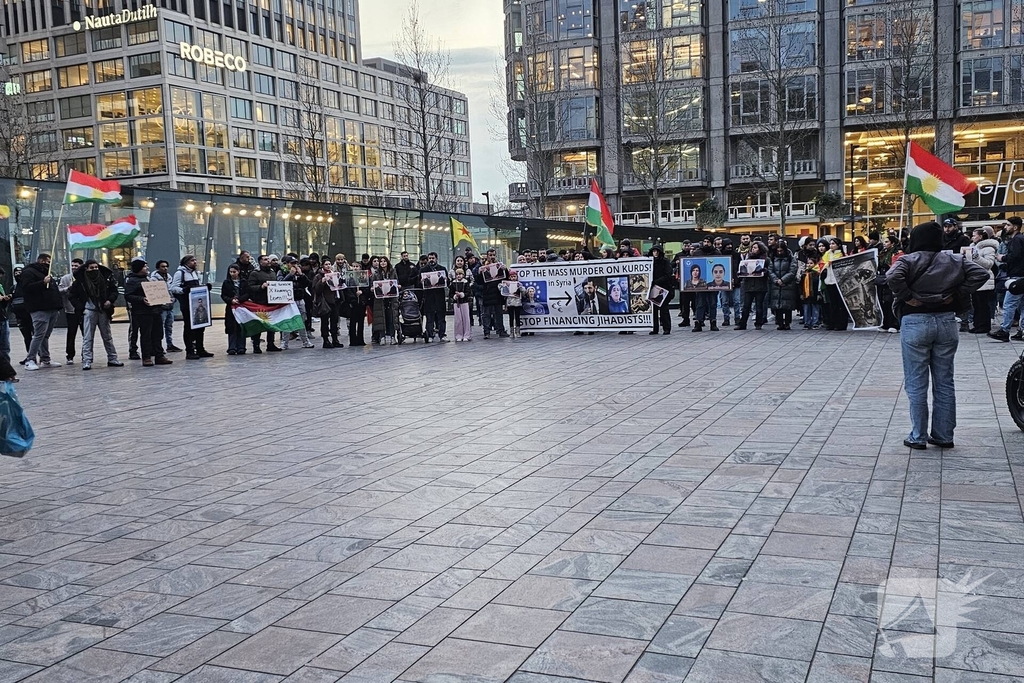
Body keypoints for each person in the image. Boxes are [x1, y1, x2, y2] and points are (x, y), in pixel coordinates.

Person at [887, 221, 988, 449]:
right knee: (944, 381)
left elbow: (893, 277)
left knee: (916, 382)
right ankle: (944, 435)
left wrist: (908, 297)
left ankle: (918, 436)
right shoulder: (954, 259)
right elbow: (981, 274)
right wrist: (957, 293)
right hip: (946, 321)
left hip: (915, 321)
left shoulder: (908, 260)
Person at [69, 259, 123, 371]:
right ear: (86, 269)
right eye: (92, 268)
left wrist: (110, 300)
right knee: (88, 337)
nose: (94, 269)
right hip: (89, 310)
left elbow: (114, 291)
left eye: (96, 267)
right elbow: (72, 296)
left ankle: (112, 358)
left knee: (107, 336)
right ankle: (87, 360)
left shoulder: (105, 279)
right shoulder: (80, 281)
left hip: (103, 310)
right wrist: (81, 307)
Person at [20, 254, 65, 370]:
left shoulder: (46, 272)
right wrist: (42, 283)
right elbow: (26, 288)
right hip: (39, 308)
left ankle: (45, 358)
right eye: (47, 261)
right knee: (39, 335)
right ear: (41, 260)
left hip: (51, 307)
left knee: (45, 335)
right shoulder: (29, 272)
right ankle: (30, 359)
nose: (49, 264)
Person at [124, 259, 172, 367]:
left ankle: (159, 355)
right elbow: (128, 295)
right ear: (139, 268)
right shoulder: (132, 281)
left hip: (155, 310)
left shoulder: (148, 278)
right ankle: (146, 357)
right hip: (143, 312)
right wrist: (142, 299)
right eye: (145, 267)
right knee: (146, 335)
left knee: (158, 333)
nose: (147, 268)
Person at [170, 254, 214, 359]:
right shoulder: (180, 273)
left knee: (200, 326)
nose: (195, 262)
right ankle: (189, 351)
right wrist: (184, 290)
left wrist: (205, 287)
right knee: (189, 328)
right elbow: (173, 288)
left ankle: (200, 349)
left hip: (197, 304)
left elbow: (197, 286)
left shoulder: (195, 273)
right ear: (186, 262)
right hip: (187, 304)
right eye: (192, 260)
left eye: (195, 260)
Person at [990, 217, 1024, 341]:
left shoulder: (1016, 240)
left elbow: (1015, 256)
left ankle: (1004, 330)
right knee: (1022, 305)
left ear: (1015, 227)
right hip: (1020, 275)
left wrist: (1002, 258)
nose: (1005, 227)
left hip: (1017, 276)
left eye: (1008, 225)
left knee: (1009, 304)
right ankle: (1022, 330)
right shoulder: (1021, 238)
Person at [246, 254, 283, 352]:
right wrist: (261, 287)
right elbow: (250, 287)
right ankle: (256, 345)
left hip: (271, 302)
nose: (268, 261)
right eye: (265, 259)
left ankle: (271, 344)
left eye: (268, 259)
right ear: (260, 262)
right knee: (258, 324)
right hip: (259, 302)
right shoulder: (255, 273)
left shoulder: (272, 272)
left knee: (271, 324)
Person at [967, 227, 998, 335]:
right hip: (974, 278)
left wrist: (976, 257)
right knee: (975, 303)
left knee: (983, 304)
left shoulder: (989, 248)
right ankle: (977, 324)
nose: (972, 237)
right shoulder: (971, 247)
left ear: (980, 236)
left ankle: (984, 326)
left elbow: (989, 264)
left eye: (974, 235)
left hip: (985, 280)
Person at [735, 242, 769, 330]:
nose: (753, 249)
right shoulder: (748, 259)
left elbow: (769, 271)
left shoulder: (765, 260)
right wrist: (740, 273)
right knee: (746, 306)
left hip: (760, 285)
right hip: (749, 285)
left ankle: (758, 323)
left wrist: (764, 271)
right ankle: (742, 324)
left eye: (755, 248)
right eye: (752, 248)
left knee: (759, 306)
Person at [767, 241, 798, 330]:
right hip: (776, 284)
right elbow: (770, 270)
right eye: (778, 251)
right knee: (777, 305)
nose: (780, 253)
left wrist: (783, 280)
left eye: (781, 251)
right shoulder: (772, 258)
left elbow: (792, 271)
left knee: (787, 306)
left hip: (788, 284)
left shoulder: (791, 258)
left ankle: (787, 323)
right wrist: (776, 280)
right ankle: (780, 323)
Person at [150, 261, 181, 352]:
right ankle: (158, 347)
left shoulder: (169, 278)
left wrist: (173, 299)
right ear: (158, 268)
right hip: (161, 308)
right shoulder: (153, 279)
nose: (165, 268)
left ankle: (169, 344)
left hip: (169, 306)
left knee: (169, 327)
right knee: (159, 328)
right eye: (163, 266)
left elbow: (172, 290)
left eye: (166, 266)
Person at [477, 253, 509, 338]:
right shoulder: (483, 267)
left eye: (494, 255)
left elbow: (506, 278)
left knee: (499, 314)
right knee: (486, 314)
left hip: (497, 293)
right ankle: (486, 332)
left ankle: (500, 330)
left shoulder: (500, 266)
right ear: (487, 256)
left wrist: (505, 270)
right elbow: (478, 282)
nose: (492, 257)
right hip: (487, 294)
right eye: (490, 255)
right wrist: (479, 273)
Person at [58, 258, 84, 365]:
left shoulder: (84, 278)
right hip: (70, 310)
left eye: (76, 266)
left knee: (86, 334)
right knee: (71, 333)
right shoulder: (65, 278)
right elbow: (59, 290)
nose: (74, 267)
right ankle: (70, 355)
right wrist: (67, 288)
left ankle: (85, 354)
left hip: (83, 310)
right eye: (72, 265)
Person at [877, 234, 904, 333]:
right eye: (884, 242)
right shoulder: (883, 253)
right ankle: (886, 323)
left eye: (887, 242)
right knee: (884, 301)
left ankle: (894, 324)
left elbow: (897, 266)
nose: (884, 244)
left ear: (892, 243)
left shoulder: (897, 253)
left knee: (891, 301)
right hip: (883, 280)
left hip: (892, 279)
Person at [312, 260, 342, 348]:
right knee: (325, 322)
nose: (328, 266)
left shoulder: (334, 274)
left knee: (334, 321)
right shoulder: (319, 276)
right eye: (326, 264)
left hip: (335, 300)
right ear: (322, 265)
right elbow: (316, 289)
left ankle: (335, 339)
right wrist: (322, 281)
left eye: (329, 264)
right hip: (325, 301)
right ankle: (326, 340)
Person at [821, 238, 849, 331]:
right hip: (829, 281)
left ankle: (841, 323)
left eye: (833, 244)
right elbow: (822, 264)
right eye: (830, 244)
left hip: (838, 281)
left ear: (838, 245)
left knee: (840, 303)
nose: (831, 245)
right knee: (832, 303)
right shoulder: (827, 254)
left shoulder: (842, 255)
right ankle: (832, 322)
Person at [420, 252, 448, 341]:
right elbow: (418, 283)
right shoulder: (423, 270)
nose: (431, 260)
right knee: (429, 318)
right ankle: (430, 335)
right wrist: (421, 281)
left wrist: (446, 280)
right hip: (429, 297)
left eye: (433, 258)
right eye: (430, 258)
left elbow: (448, 283)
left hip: (439, 296)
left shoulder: (442, 269)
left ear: (436, 259)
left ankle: (442, 335)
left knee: (441, 317)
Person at [221, 264, 247, 354]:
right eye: (231, 272)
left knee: (241, 327)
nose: (232, 274)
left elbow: (247, 293)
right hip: (231, 307)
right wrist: (230, 300)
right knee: (231, 327)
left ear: (238, 272)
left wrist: (240, 299)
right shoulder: (226, 282)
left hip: (242, 307)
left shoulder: (244, 281)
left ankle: (241, 347)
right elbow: (223, 295)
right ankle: (232, 347)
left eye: (234, 272)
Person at [649, 246, 675, 334]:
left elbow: (667, 275)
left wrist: (656, 281)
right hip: (653, 288)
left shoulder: (665, 261)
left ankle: (666, 328)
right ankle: (654, 328)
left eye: (657, 251)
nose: (655, 253)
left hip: (663, 288)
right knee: (654, 310)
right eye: (654, 251)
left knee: (664, 309)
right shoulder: (650, 261)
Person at [797, 239, 821, 330]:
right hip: (806, 294)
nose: (809, 265)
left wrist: (818, 293)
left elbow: (819, 284)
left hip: (814, 294)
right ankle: (807, 322)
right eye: (808, 263)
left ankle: (815, 322)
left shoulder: (817, 274)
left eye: (811, 263)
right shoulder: (804, 274)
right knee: (806, 308)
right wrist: (801, 293)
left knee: (815, 308)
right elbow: (801, 284)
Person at [10, 266, 33, 356]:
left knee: (36, 335)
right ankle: (30, 355)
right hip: (20, 316)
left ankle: (40, 354)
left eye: (20, 272)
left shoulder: (28, 286)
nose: (18, 275)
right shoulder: (13, 288)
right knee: (26, 336)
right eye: (16, 273)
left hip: (30, 314)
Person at [450, 267, 472, 342]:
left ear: (463, 275)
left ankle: (467, 335)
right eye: (457, 274)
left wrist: (462, 294)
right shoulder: (453, 283)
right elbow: (451, 293)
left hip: (464, 302)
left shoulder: (466, 282)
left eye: (460, 274)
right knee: (458, 319)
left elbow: (468, 292)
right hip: (456, 303)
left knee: (466, 319)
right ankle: (458, 335)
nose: (458, 275)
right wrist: (455, 296)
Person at [504, 270, 524, 338]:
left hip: (517, 303)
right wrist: (503, 285)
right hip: (510, 303)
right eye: (512, 276)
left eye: (514, 276)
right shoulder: (507, 284)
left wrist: (520, 288)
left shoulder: (519, 284)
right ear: (509, 277)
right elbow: (503, 291)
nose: (513, 278)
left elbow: (523, 292)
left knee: (517, 317)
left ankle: (518, 331)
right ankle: (511, 332)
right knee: (511, 317)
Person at [0, 268, 10, 365]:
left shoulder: (0, 286)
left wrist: (5, 299)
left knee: (5, 346)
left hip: (3, 317)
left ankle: (6, 369)